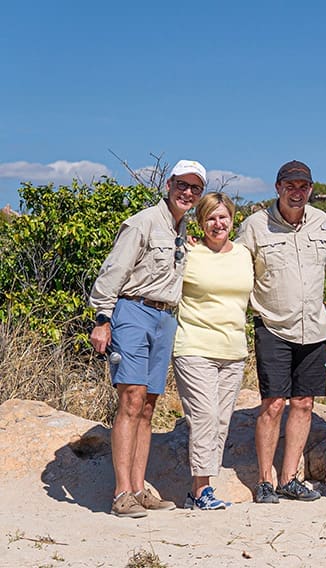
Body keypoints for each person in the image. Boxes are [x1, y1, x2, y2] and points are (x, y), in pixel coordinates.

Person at [88, 159, 207, 517]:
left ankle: (139, 489)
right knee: (131, 399)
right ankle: (120, 492)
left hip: (165, 317)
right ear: (169, 184)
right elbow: (114, 270)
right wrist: (102, 319)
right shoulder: (142, 222)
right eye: (182, 185)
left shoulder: (182, 229)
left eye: (195, 188)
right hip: (133, 311)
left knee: (149, 405)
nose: (187, 192)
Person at [237, 160, 326, 504]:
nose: (297, 193)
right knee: (273, 404)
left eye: (303, 187)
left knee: (304, 403)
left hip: (313, 327)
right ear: (277, 187)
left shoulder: (322, 222)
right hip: (273, 326)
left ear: (311, 189)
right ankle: (265, 480)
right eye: (290, 186)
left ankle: (289, 478)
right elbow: (234, 269)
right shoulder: (255, 225)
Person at [173, 193, 253, 510]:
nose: (217, 224)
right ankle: (201, 490)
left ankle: (205, 488)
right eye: (210, 218)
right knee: (204, 417)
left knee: (220, 421)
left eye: (223, 217)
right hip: (194, 345)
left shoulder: (244, 254)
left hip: (233, 349)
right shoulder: (190, 251)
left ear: (232, 219)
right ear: (200, 221)